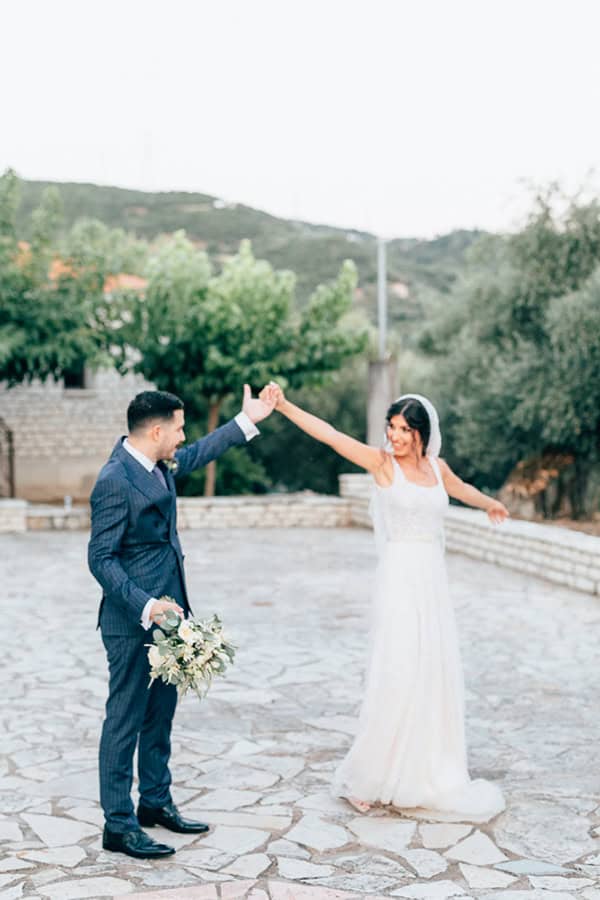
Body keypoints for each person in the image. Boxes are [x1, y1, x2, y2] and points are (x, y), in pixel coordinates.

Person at [266, 385, 507, 820]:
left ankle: (425, 767)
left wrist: (490, 503)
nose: (394, 436)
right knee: (397, 670)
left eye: (403, 430)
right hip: (399, 579)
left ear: (421, 434)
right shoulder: (381, 465)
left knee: (430, 670)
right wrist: (284, 406)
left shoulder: (437, 469)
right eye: (391, 427)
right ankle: (370, 776)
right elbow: (331, 436)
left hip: (431, 581)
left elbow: (462, 489)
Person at [88, 385, 278, 859]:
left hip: (172, 616)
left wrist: (245, 420)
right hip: (133, 619)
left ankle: (155, 802)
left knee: (160, 715)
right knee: (125, 720)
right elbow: (100, 559)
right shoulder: (114, 479)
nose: (182, 436)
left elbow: (194, 455)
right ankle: (118, 823)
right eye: (178, 427)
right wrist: (146, 605)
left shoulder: (155, 462)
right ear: (156, 430)